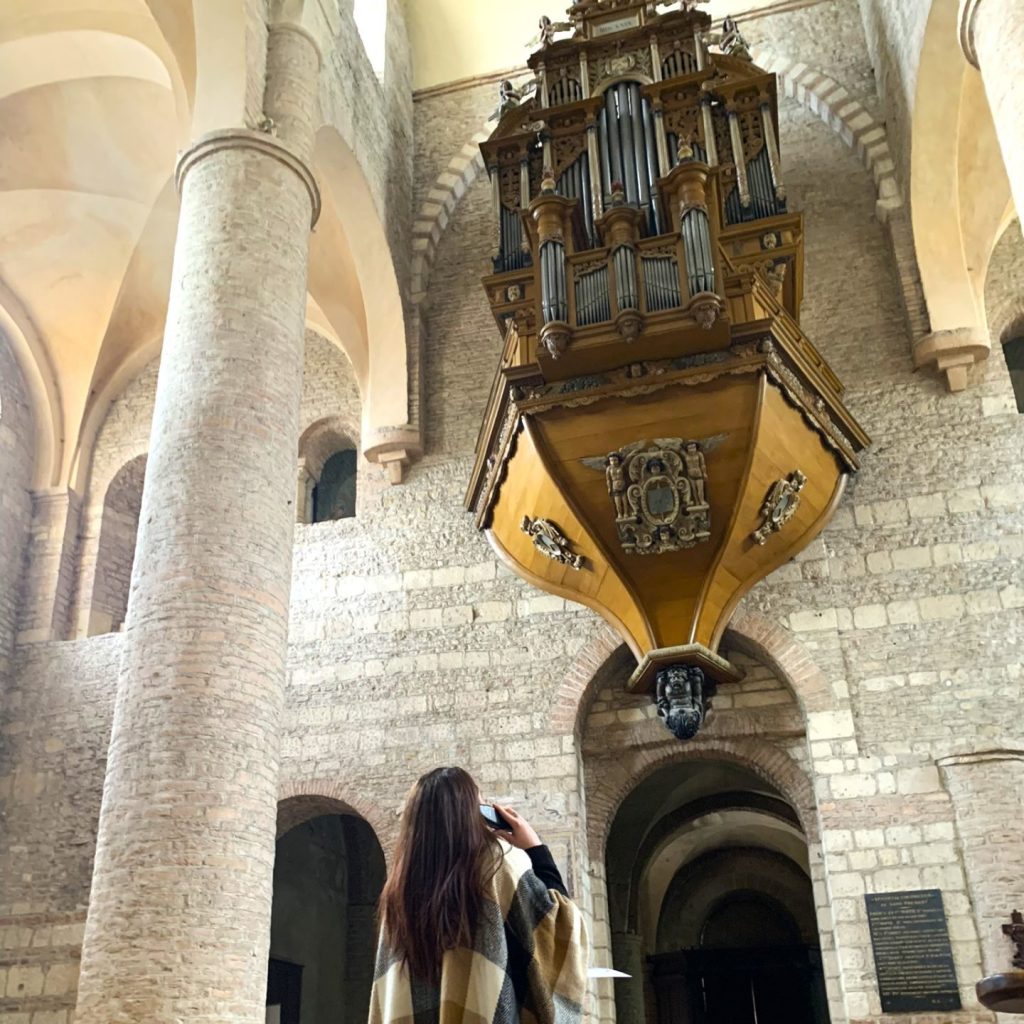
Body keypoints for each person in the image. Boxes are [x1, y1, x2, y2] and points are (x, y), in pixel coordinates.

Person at [369, 766, 589, 1023]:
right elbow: (560, 932)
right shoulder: (499, 863)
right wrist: (536, 850)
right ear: (473, 814)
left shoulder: (399, 886)